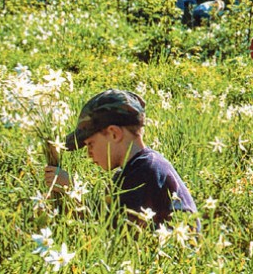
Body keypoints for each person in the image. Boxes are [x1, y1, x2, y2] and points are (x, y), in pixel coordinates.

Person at [43, 89, 197, 226]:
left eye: (90, 144)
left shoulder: (145, 172)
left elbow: (112, 226)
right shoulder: (137, 168)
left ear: (114, 134)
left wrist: (72, 188)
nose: (89, 154)